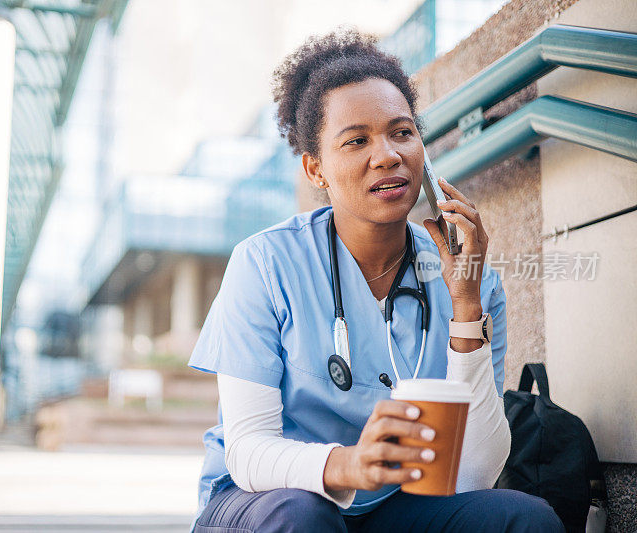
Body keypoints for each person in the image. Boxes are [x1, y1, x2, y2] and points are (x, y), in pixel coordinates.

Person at [188, 29, 563, 532]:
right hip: (266, 500)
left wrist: (466, 309)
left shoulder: (472, 280)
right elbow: (249, 452)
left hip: (393, 505)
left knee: (522, 518)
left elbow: (475, 473)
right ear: (316, 169)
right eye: (357, 140)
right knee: (301, 515)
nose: (387, 154)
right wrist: (350, 464)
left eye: (402, 133)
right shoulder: (265, 264)